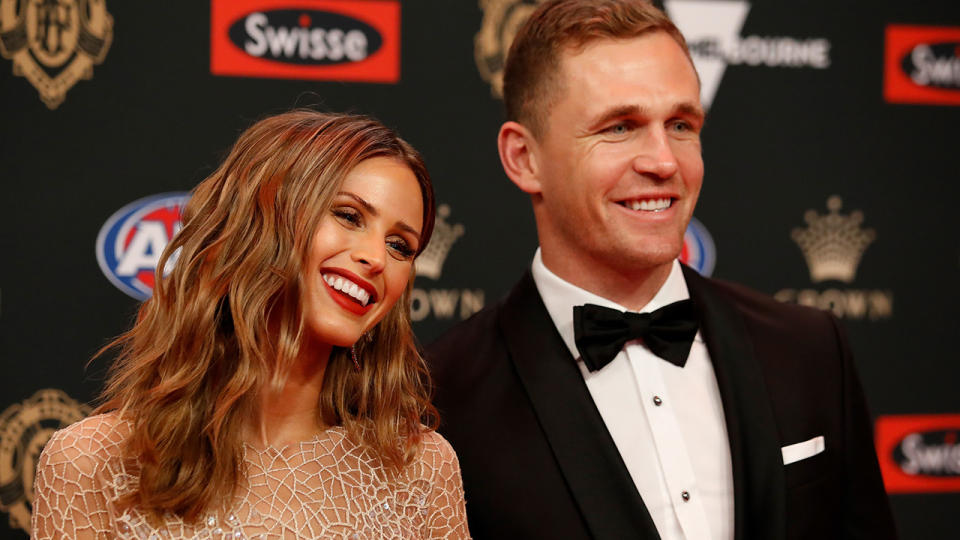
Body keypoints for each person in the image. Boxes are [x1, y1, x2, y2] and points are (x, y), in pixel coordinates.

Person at [427, 1, 896, 539]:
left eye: (680, 124)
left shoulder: (809, 350)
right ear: (524, 158)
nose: (664, 160)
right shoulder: (441, 403)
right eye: (620, 126)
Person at [32, 111, 471, 539]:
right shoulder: (91, 464)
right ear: (260, 220)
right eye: (349, 216)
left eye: (400, 245)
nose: (376, 258)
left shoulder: (421, 471)